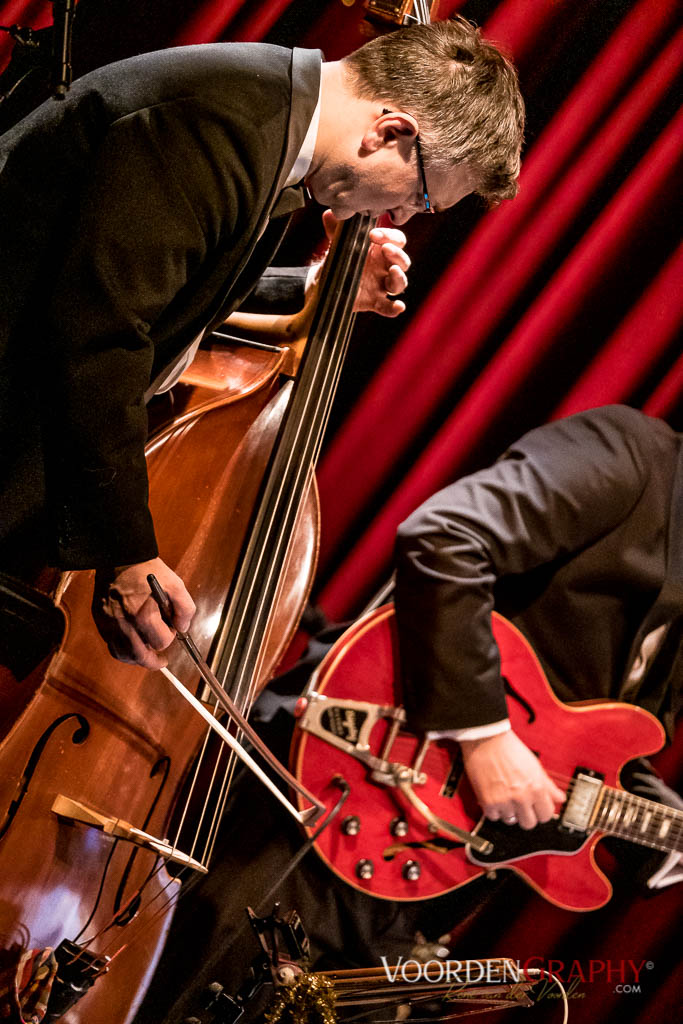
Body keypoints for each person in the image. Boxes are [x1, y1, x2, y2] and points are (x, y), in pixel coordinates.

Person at [0, 18, 524, 669]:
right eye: (419, 198)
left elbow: (166, 274)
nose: (402, 220)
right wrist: (125, 550)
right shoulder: (222, 123)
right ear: (389, 132)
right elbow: (100, 333)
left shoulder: (266, 113)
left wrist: (309, 285)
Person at [394, 405, 683, 834]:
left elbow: (606, 741)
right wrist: (483, 737)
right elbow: (444, 538)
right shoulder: (630, 451)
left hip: (457, 845)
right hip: (376, 761)